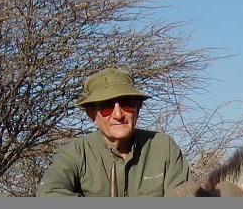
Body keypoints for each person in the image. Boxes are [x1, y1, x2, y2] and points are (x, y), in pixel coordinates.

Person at [37, 68, 191, 196]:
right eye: (107, 107)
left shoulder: (164, 147)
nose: (118, 115)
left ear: (138, 108)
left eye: (127, 105)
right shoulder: (75, 153)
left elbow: (185, 197)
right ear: (92, 114)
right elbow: (49, 193)